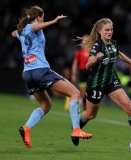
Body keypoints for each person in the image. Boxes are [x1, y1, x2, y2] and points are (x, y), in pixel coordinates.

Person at [11, 5, 92, 148]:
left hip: (28, 74)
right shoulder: (32, 27)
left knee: (46, 105)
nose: (44, 19)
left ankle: (26, 128)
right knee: (75, 93)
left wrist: (19, 32)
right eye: (43, 17)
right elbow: (34, 28)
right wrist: (53, 22)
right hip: (40, 70)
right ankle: (76, 129)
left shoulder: (22, 31)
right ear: (39, 18)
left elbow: (13, 33)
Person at [71, 18, 131, 148]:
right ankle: (75, 130)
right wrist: (96, 59)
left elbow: (119, 54)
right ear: (100, 31)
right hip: (96, 85)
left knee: (129, 107)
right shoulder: (97, 45)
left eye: (111, 29)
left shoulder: (114, 43)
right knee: (90, 115)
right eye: (107, 30)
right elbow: (89, 65)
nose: (110, 32)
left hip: (111, 82)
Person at [71, 35, 90, 111]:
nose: (85, 42)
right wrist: (73, 74)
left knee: (90, 92)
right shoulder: (79, 52)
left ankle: (90, 109)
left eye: (87, 40)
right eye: (84, 40)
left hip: (90, 73)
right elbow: (75, 63)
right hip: (82, 73)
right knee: (83, 93)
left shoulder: (93, 51)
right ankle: (84, 109)